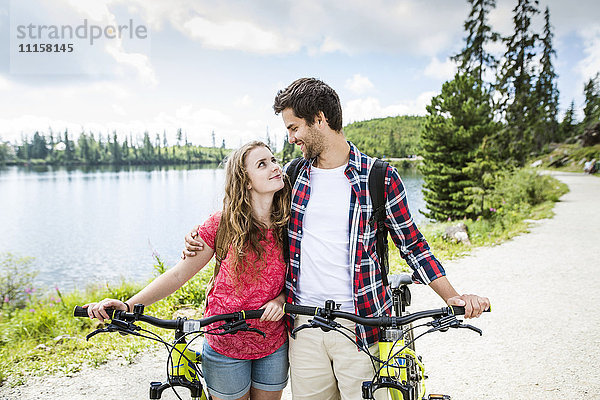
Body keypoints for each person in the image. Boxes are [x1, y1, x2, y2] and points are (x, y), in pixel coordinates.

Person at [185, 78, 490, 400]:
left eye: (294, 128)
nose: (291, 139)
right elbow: (249, 210)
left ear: (320, 118)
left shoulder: (379, 177)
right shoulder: (293, 175)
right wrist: (201, 235)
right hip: (303, 329)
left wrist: (452, 297)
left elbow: (413, 245)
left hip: (361, 326)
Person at [85, 141, 291, 400]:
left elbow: (299, 276)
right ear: (246, 181)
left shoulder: (289, 222)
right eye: (262, 164)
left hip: (272, 342)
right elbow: (179, 275)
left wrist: (281, 299)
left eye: (273, 160)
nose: (275, 167)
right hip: (225, 342)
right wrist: (129, 306)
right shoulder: (221, 224)